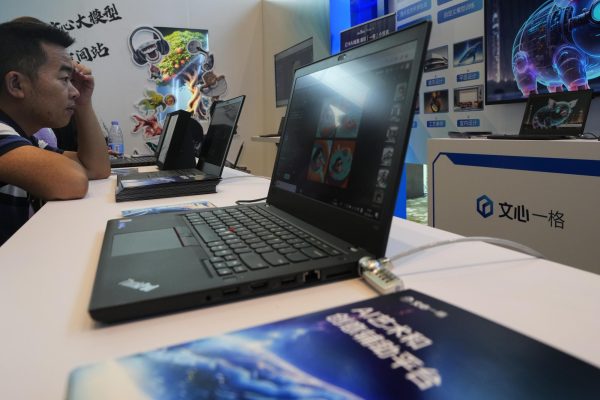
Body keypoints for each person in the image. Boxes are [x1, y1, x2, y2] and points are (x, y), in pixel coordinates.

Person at [0, 19, 110, 245]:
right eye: (64, 79)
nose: (74, 92)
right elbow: (71, 181)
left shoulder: (25, 140)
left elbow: (96, 168)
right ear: (16, 85)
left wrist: (84, 104)